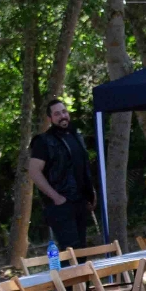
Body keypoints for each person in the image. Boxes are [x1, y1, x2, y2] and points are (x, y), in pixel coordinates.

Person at [28, 99, 95, 250]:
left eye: (64, 112)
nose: (62, 116)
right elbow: (34, 171)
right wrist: (56, 197)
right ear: (50, 118)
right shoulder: (43, 141)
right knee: (70, 251)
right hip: (61, 205)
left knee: (82, 250)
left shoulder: (76, 136)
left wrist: (91, 193)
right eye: (57, 114)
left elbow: (83, 168)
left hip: (81, 202)